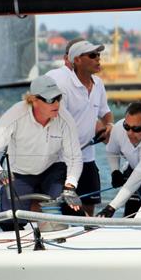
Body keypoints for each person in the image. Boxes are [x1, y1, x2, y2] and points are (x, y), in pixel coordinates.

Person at [0, 76, 83, 226]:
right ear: (33, 100)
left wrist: (70, 186)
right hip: (19, 175)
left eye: (58, 98)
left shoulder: (65, 119)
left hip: (51, 170)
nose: (56, 104)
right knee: (11, 222)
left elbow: (74, 158)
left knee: (67, 207)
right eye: (50, 100)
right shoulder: (16, 114)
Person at [46, 39, 114, 215]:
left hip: (88, 158)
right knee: (72, 211)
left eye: (99, 55)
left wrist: (109, 125)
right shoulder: (63, 85)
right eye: (92, 55)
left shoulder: (98, 84)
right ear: (76, 60)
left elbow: (105, 112)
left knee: (89, 209)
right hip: (64, 161)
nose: (98, 59)